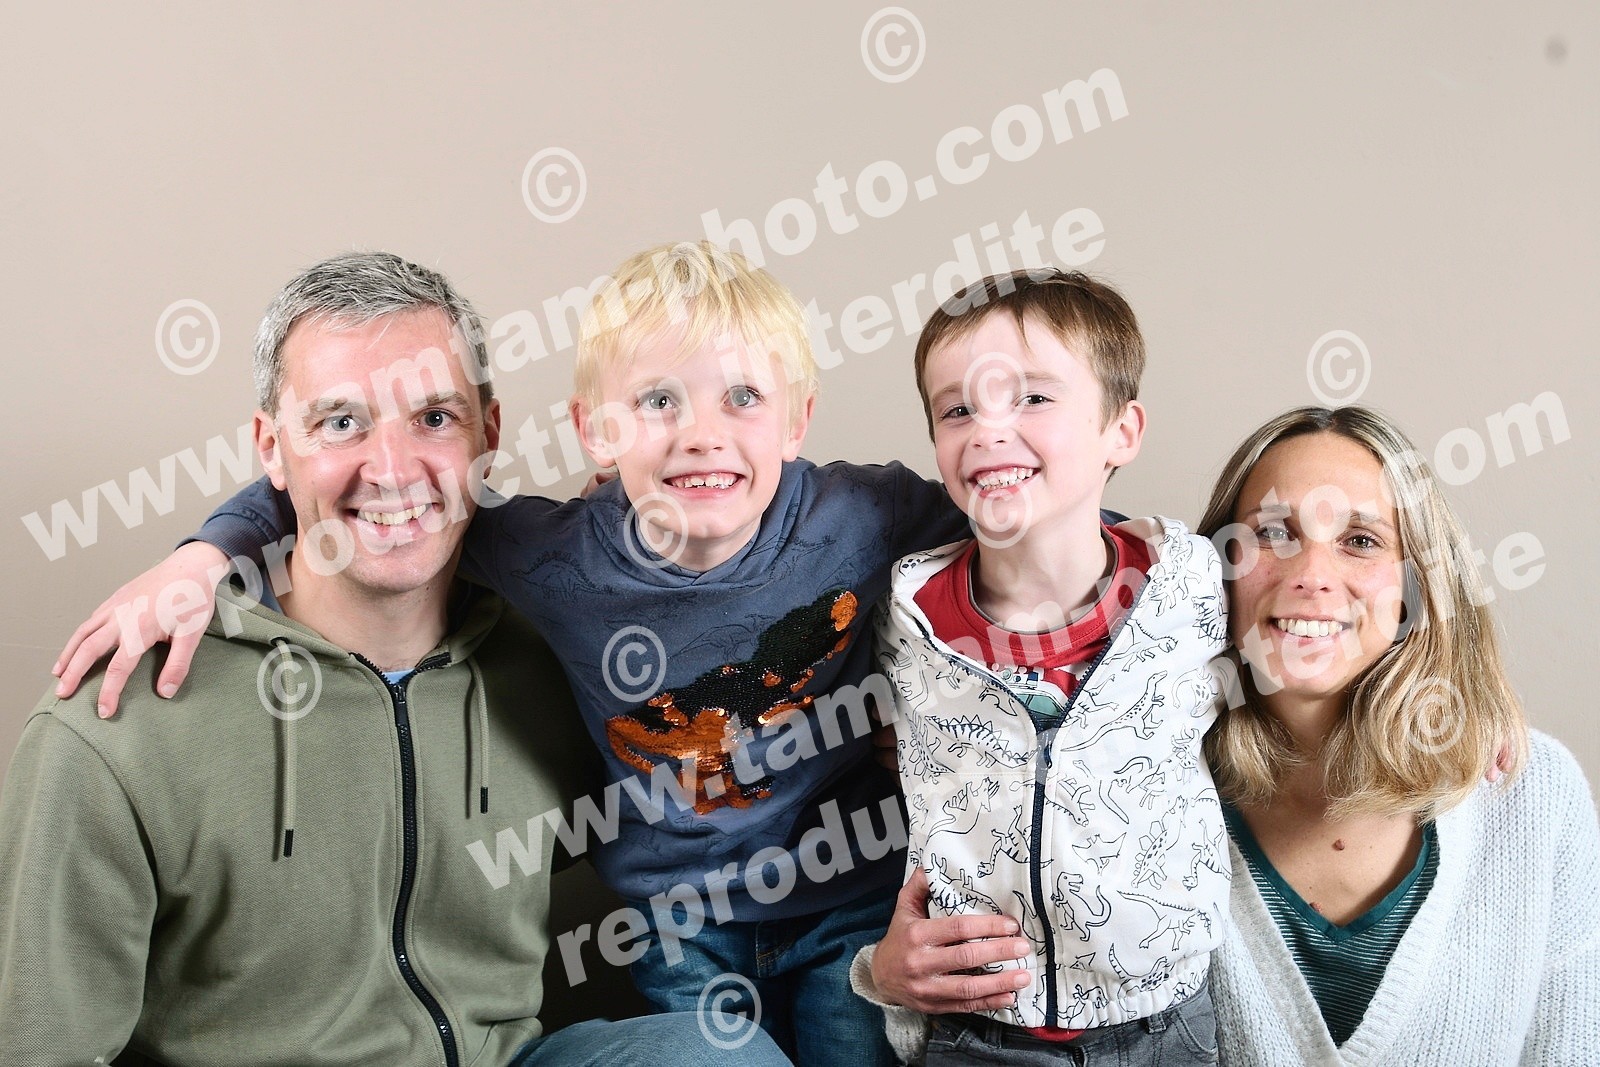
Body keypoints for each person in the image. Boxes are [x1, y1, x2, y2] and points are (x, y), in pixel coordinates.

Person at [52, 242, 972, 1066]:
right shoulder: (549, 554)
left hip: (848, 895)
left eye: (743, 397)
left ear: (798, 418)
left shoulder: (862, 515)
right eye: (658, 401)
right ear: (595, 430)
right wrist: (202, 556)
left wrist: (933, 719)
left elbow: (1013, 540)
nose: (702, 433)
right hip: (682, 923)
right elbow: (352, 491)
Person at [851, 270, 1227, 1064]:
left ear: (1122, 430)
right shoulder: (907, 617)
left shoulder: (1193, 588)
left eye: (1031, 398)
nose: (987, 431)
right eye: (958, 409)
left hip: (1165, 1022)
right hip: (979, 1029)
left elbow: (1333, 669)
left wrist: (1476, 713)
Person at [1195, 405, 1599, 1065]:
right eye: (1272, 532)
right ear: (1216, 566)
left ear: (1416, 584)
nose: (1311, 574)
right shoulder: (1150, 786)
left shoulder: (1533, 797)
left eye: (1360, 540)